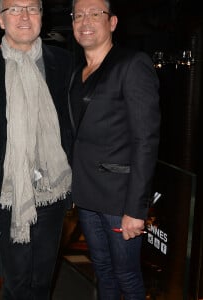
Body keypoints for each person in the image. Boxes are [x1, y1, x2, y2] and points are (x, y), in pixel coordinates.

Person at [0, 0, 73, 299]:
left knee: (42, 281)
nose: (24, 16)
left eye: (32, 8)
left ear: (42, 17)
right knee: (17, 283)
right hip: (6, 193)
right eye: (14, 9)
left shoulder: (65, 62)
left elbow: (79, 125)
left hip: (53, 191)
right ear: (1, 19)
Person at [69, 0, 161, 299]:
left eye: (95, 13)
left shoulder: (132, 64)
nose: (86, 20)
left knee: (126, 275)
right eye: (79, 15)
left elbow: (145, 140)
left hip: (119, 200)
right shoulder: (77, 73)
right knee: (103, 269)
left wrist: (136, 209)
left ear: (113, 22)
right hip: (86, 194)